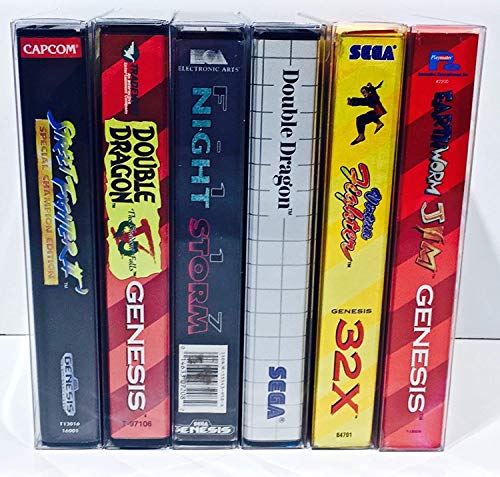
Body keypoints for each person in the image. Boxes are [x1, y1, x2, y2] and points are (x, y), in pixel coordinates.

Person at [347, 81, 386, 146]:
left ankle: (361, 135)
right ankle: (379, 123)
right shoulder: (372, 96)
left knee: (360, 119)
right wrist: (371, 87)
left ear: (368, 91)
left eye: (364, 92)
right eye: (362, 93)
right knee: (369, 114)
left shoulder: (371, 97)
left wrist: (353, 101)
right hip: (378, 112)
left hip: (378, 112)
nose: (364, 94)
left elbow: (363, 101)